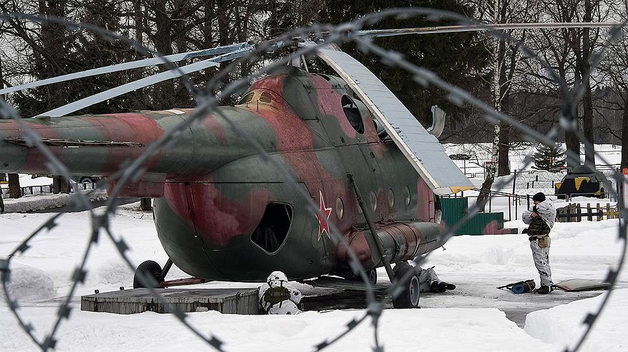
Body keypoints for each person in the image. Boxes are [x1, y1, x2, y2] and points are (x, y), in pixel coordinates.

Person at [522, 192, 556, 294]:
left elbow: (545, 208)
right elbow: (524, 217)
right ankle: (547, 283)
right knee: (543, 262)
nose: (534, 203)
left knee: (541, 262)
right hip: (537, 239)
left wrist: (534, 209)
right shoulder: (539, 210)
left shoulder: (547, 208)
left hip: (540, 239)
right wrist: (532, 214)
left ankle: (546, 285)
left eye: (535, 201)